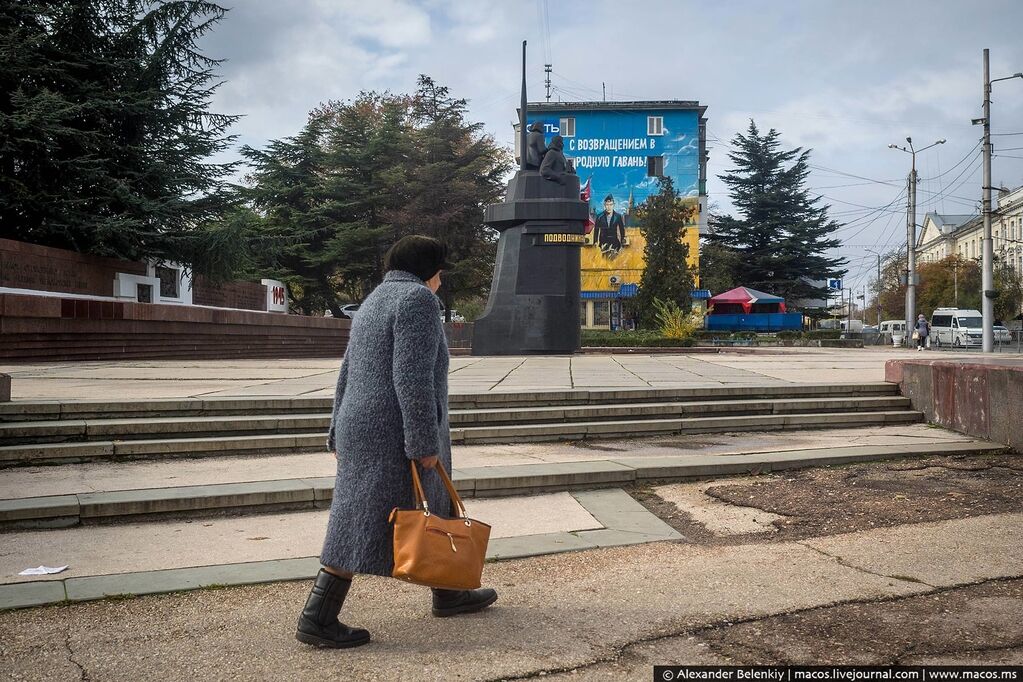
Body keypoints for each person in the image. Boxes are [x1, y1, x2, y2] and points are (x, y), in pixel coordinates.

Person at [296, 235, 498, 649]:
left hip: (362, 425)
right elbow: (413, 379)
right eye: (440, 271)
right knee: (361, 519)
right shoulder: (418, 301)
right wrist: (424, 441)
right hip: (393, 430)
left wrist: (336, 426)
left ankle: (450, 591)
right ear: (429, 269)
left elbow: (347, 370)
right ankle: (318, 618)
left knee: (418, 505)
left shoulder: (373, 301)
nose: (441, 279)